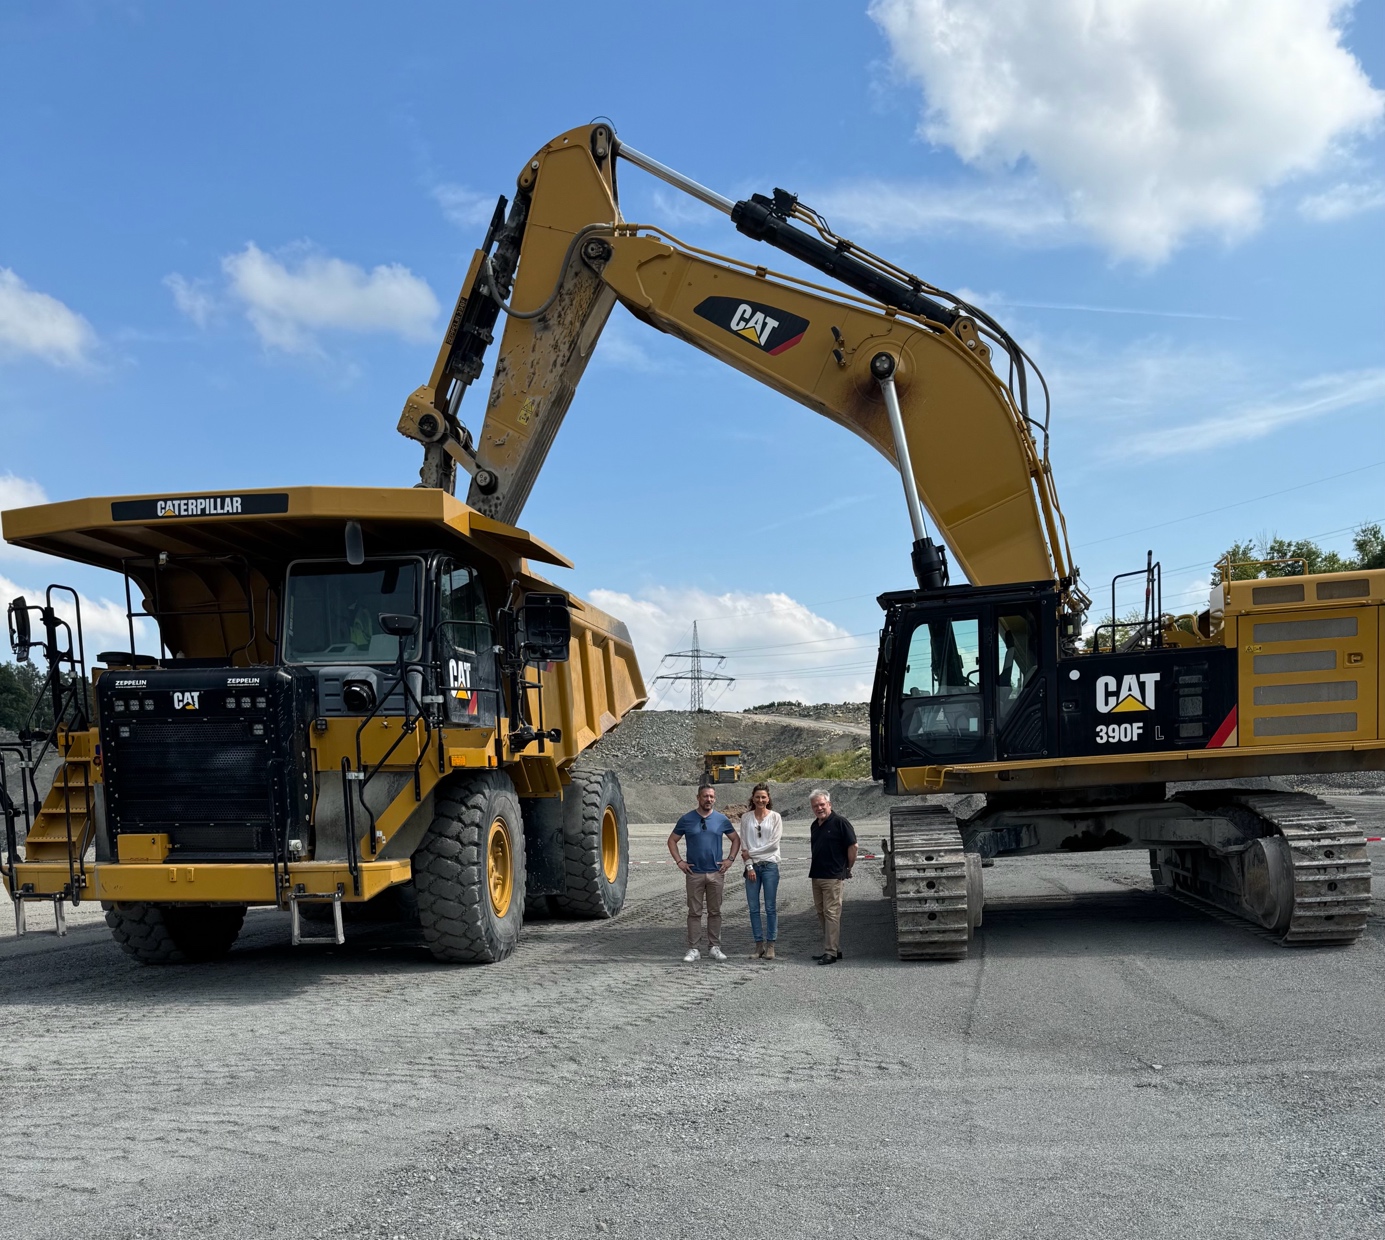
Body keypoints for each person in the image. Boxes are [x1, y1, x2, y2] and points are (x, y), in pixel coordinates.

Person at [668, 784, 740, 963]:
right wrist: (680, 861)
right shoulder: (686, 819)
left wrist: (730, 860)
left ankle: (714, 947)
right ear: (698, 798)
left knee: (715, 912)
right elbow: (672, 841)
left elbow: (735, 839)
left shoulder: (721, 819)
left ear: (715, 799)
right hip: (694, 874)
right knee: (694, 912)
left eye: (711, 797)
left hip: (716, 873)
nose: (709, 799)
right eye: (705, 796)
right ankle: (694, 949)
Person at [807, 789, 856, 964]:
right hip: (817, 875)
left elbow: (853, 846)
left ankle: (830, 952)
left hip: (833, 876)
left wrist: (848, 867)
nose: (819, 808)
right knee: (821, 913)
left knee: (831, 913)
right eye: (815, 806)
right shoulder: (815, 825)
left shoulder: (840, 822)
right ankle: (834, 948)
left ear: (829, 804)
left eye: (822, 804)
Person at [739, 782, 783, 960]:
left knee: (770, 907)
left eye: (763, 797)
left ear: (768, 798)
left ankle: (771, 945)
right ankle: (759, 946)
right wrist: (749, 865)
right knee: (753, 908)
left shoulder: (775, 817)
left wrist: (751, 853)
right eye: (757, 797)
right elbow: (744, 844)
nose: (760, 800)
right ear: (753, 798)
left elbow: (773, 846)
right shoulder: (746, 818)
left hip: (770, 866)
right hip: (753, 868)